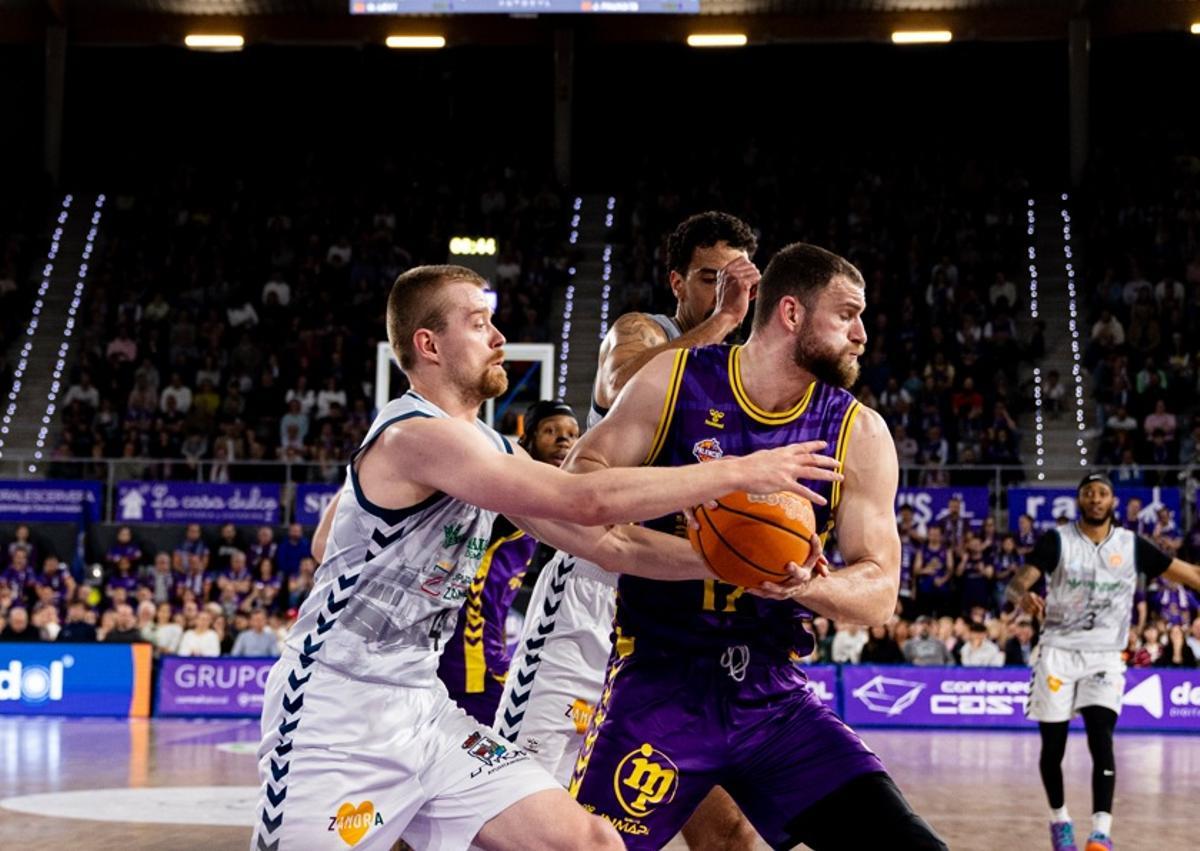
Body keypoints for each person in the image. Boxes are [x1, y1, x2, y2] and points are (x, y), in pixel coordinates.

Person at [251, 264, 840, 851]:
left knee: (592, 843)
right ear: (428, 345)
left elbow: (608, 542)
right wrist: (739, 471)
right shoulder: (415, 436)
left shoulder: (489, 448)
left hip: (423, 708)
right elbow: (584, 499)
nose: (499, 337)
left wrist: (731, 565)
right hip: (336, 712)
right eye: (478, 323)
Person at [562, 243, 944, 849]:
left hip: (773, 697)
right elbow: (577, 487)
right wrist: (707, 537)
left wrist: (806, 583)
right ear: (791, 313)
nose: (862, 335)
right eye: (847, 314)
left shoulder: (859, 430)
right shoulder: (676, 379)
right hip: (659, 684)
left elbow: (879, 594)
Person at [496, 211, 765, 850]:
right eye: (710, 278)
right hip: (595, 590)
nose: (726, 293)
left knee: (728, 831)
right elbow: (620, 382)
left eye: (739, 283)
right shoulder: (643, 330)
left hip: (678, 608)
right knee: (518, 806)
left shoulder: (749, 379)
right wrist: (722, 321)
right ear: (677, 282)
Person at [1005, 472, 1200, 851]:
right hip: (1057, 653)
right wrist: (1021, 597)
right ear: (1080, 500)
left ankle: (1101, 832)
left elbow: (1190, 574)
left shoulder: (1131, 545)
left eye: (1103, 493)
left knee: (1101, 739)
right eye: (1089, 493)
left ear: (1113, 501)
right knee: (1053, 748)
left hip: (1105, 656)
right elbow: (1017, 583)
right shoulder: (1057, 540)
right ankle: (1060, 820)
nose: (1095, 498)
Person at [437, 399, 581, 725]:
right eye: (551, 431)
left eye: (573, 434)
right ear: (526, 441)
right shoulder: (511, 495)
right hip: (469, 664)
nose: (564, 440)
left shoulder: (540, 503)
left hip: (485, 656)